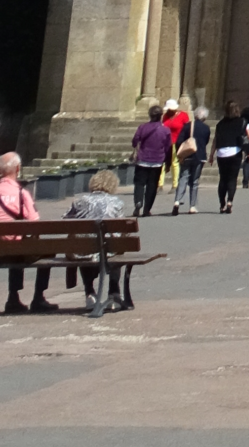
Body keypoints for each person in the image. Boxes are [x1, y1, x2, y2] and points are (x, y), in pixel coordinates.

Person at [66, 169, 133, 311]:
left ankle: (89, 292)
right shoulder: (117, 203)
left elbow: (65, 222)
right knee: (116, 246)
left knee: (83, 244)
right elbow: (122, 229)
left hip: (84, 252)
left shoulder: (80, 202)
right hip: (108, 251)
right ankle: (114, 293)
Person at [1, 149, 51, 315]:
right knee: (46, 250)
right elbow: (34, 223)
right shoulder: (22, 194)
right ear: (17, 169)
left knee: (13, 246)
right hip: (16, 249)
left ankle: (13, 298)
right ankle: (38, 297)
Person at [130, 103, 173, 216]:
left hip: (143, 159)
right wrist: (168, 162)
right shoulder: (165, 130)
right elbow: (168, 147)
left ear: (149, 115)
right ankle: (147, 209)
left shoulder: (143, 127)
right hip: (157, 161)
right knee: (152, 185)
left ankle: (138, 202)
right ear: (161, 116)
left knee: (139, 183)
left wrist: (137, 146)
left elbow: (135, 141)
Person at [173, 100, 212, 214]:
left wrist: (181, 153)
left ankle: (177, 200)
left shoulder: (187, 126)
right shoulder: (206, 128)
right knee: (194, 181)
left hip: (187, 155)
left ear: (195, 115)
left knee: (183, 178)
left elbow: (179, 141)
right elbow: (205, 142)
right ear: (204, 117)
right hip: (199, 156)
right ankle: (192, 206)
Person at [212, 100, 247, 213]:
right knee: (232, 178)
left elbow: (215, 140)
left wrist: (211, 154)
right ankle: (229, 201)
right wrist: (248, 152)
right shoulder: (241, 121)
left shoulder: (220, 124)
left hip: (221, 152)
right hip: (235, 151)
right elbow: (245, 138)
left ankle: (222, 204)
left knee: (223, 179)